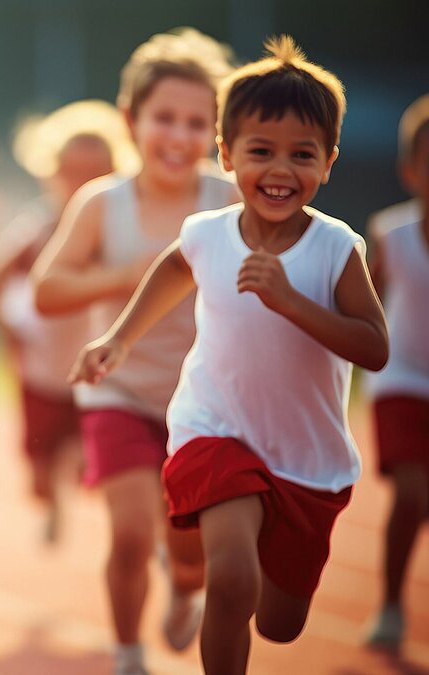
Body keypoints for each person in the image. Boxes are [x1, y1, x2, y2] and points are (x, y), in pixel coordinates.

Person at [72, 36, 388, 675]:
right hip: (215, 428)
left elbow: (374, 348)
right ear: (227, 155)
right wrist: (120, 339)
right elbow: (171, 269)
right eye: (260, 152)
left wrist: (293, 302)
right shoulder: (208, 231)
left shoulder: (335, 249)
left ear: (328, 163)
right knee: (234, 580)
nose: (279, 170)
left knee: (279, 622)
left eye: (301, 155)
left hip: (306, 455)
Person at [30, 28, 237, 673]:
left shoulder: (228, 202)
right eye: (164, 118)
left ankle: (185, 583)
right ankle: (127, 654)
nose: (178, 136)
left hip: (203, 401)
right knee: (127, 530)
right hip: (117, 391)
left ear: (217, 134)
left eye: (196, 123)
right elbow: (48, 289)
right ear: (131, 120)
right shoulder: (102, 204)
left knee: (189, 541)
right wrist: (133, 275)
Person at [0, 99, 133, 544]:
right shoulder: (41, 223)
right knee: (39, 472)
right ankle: (52, 496)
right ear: (51, 174)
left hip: (94, 365)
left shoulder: (115, 226)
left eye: (96, 173)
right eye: (72, 173)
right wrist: (6, 327)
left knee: (84, 452)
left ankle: (76, 464)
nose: (82, 184)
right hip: (41, 363)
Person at [365, 93, 429, 651]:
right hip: (401, 376)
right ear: (411, 170)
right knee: (412, 494)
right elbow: (360, 309)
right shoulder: (391, 234)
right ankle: (389, 604)